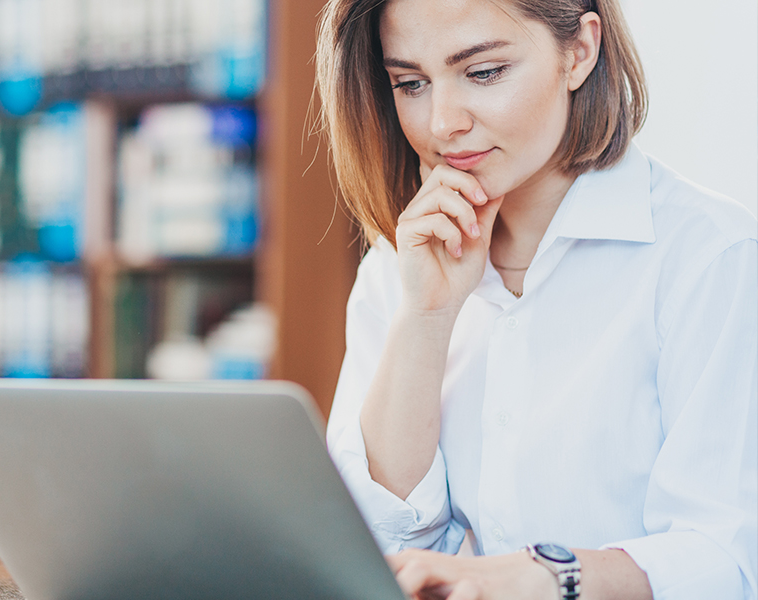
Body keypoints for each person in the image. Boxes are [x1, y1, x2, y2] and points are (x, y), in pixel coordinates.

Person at [315, 0, 758, 598]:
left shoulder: (712, 258)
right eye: (411, 83)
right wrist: (428, 315)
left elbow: (727, 558)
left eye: (484, 72)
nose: (442, 122)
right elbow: (373, 548)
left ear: (579, 52)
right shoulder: (397, 269)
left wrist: (538, 577)